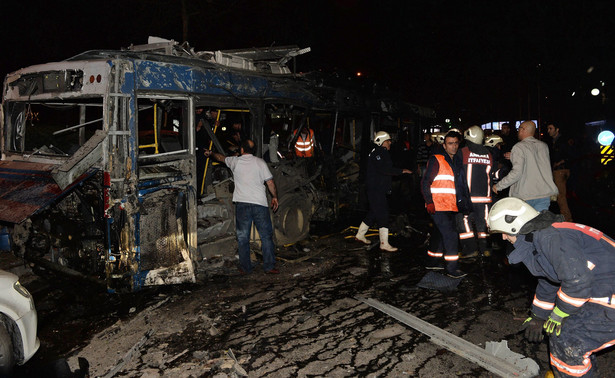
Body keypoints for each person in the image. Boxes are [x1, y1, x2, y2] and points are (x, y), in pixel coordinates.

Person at [488, 197, 615, 377]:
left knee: (568, 340)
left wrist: (559, 313)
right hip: (602, 291)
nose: (503, 237)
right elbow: (550, 279)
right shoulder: (544, 235)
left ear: (514, 226)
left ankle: (568, 370)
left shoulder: (549, 237)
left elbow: (577, 281)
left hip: (607, 296)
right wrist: (539, 316)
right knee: (566, 335)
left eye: (504, 232)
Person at [204, 140, 280, 274]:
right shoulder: (260, 162)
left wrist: (210, 153)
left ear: (242, 150)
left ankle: (246, 268)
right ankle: (269, 267)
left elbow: (221, 158)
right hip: (259, 204)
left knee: (243, 237)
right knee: (266, 237)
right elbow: (270, 182)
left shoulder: (235, 161)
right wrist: (274, 197)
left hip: (242, 205)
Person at [421, 131, 471, 278]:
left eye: (456, 143)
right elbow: (425, 182)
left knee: (439, 234)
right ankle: (452, 268)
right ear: (444, 145)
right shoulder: (437, 159)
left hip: (450, 206)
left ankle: (432, 261)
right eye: (450, 143)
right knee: (451, 235)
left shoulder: (455, 161)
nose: (453, 146)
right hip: (437, 206)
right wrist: (429, 202)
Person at [354, 131, 412, 252]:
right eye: (388, 141)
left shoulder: (379, 152)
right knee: (383, 214)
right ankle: (384, 243)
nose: (390, 142)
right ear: (381, 141)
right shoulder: (379, 152)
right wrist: (401, 171)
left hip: (376, 189)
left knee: (374, 212)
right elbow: (384, 169)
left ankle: (360, 235)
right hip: (376, 189)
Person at [492, 120, 557, 212]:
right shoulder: (543, 146)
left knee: (525, 224)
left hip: (526, 195)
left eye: (519, 129)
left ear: (523, 130)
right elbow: (535, 162)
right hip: (544, 194)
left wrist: (498, 186)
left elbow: (517, 173)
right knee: (540, 224)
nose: (518, 131)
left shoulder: (519, 147)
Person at [457, 126, 495, 258]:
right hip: (485, 198)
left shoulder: (463, 152)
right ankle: (485, 249)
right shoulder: (489, 154)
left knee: (463, 222)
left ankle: (470, 249)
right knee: (483, 223)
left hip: (468, 197)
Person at [547, 123, 573, 222]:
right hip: (561, 169)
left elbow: (568, 154)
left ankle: (567, 219)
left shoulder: (561, 141)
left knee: (561, 196)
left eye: (550, 128)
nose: (548, 131)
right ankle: (566, 217)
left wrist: (559, 163)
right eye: (548, 129)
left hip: (560, 170)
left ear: (557, 130)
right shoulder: (555, 141)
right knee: (561, 195)